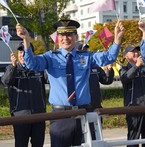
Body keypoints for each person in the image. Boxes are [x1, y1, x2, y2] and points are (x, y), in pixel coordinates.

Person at [16, 19, 125, 147]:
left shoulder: (86, 56)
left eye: (69, 34)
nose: (65, 38)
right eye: (62, 35)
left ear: (76, 37)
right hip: (61, 116)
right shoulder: (50, 57)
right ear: (57, 38)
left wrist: (117, 40)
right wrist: (26, 40)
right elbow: (31, 64)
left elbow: (108, 58)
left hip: (83, 114)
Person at [1, 42, 48, 147]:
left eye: (25, 52)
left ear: (32, 54)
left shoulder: (39, 69)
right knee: (21, 144)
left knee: (38, 144)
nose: (22, 55)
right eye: (20, 52)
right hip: (20, 116)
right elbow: (6, 81)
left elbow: (52, 79)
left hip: (39, 115)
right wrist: (13, 66)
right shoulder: (12, 69)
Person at [78, 44, 115, 140]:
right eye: (82, 50)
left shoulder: (95, 67)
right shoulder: (76, 68)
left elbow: (106, 80)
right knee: (84, 137)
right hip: (82, 107)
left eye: (86, 50)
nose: (85, 52)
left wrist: (109, 70)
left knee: (97, 136)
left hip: (96, 106)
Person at [120, 45, 145, 147]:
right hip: (133, 109)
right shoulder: (124, 69)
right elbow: (125, 79)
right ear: (126, 56)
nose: (136, 53)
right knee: (133, 139)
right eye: (133, 52)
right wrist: (136, 66)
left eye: (137, 51)